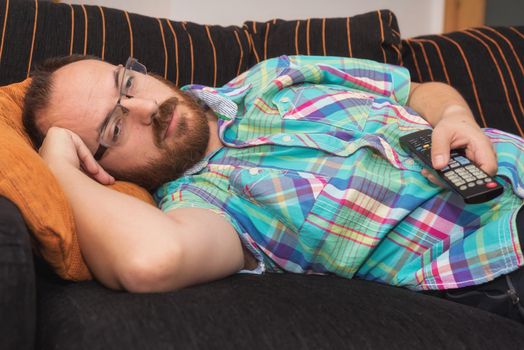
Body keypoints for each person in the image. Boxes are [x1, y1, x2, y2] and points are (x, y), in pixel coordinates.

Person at [23, 54, 524, 321]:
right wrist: (59, 170)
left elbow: (416, 91)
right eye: (114, 127)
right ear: (98, 168)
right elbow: (150, 260)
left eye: (126, 83)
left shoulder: (273, 75)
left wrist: (456, 115)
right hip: (501, 257)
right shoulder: (205, 204)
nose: (145, 109)